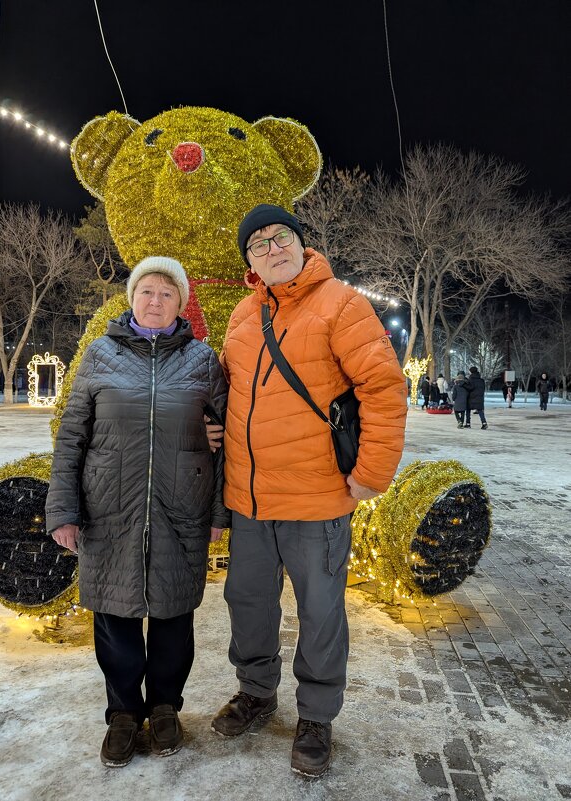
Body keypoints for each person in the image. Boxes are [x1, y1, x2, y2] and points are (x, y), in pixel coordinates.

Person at [208, 204, 407, 777]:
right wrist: (210, 424)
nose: (272, 248)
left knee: (320, 612)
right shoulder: (243, 314)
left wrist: (371, 473)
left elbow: (384, 390)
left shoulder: (342, 304)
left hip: (317, 499)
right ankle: (256, 691)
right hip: (250, 501)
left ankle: (316, 715)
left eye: (281, 237)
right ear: (249, 262)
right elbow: (231, 390)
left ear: (300, 243)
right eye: (259, 244)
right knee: (247, 602)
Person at [45, 257, 230, 768]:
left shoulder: (201, 360)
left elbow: (230, 442)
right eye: (147, 290)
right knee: (115, 618)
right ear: (132, 298)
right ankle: (124, 713)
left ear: (181, 303)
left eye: (167, 293)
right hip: (109, 509)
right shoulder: (100, 355)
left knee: (174, 616)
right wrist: (63, 510)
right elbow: (72, 435)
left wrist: (219, 513)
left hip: (181, 509)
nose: (155, 300)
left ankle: (165, 706)